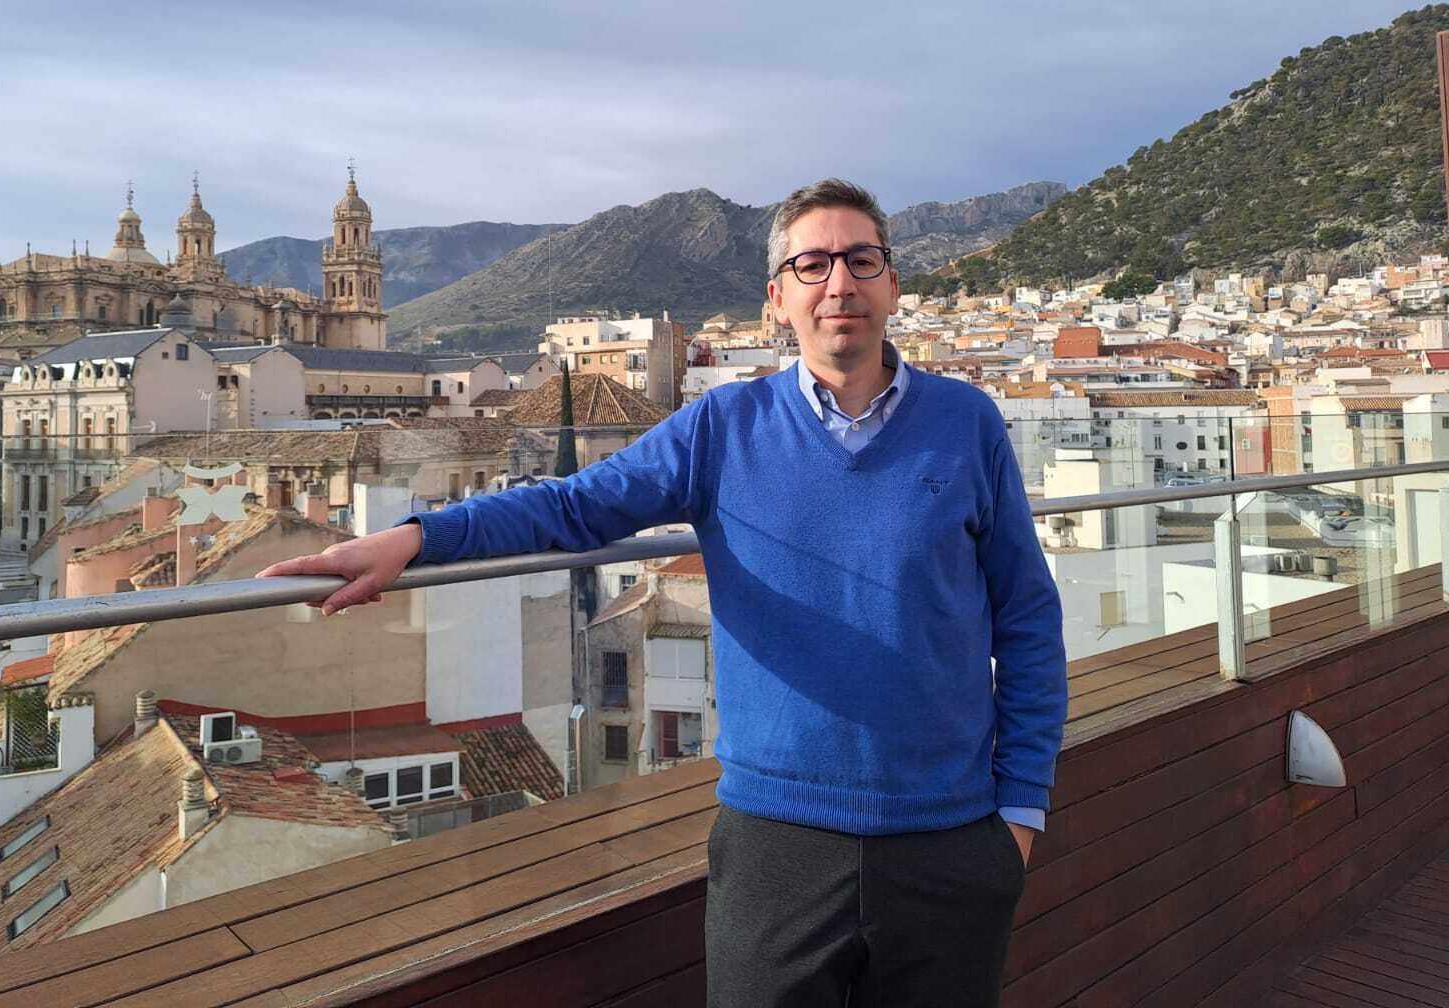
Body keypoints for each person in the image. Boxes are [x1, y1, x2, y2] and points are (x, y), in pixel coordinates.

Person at [259, 178, 1069, 1007]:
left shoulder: (966, 423)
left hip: (950, 836)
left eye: (862, 260)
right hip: (775, 843)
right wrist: (421, 537)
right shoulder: (723, 428)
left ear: (892, 284)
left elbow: (1029, 617)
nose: (840, 283)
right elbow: (573, 505)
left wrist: (1020, 815)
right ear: (777, 299)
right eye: (813, 263)